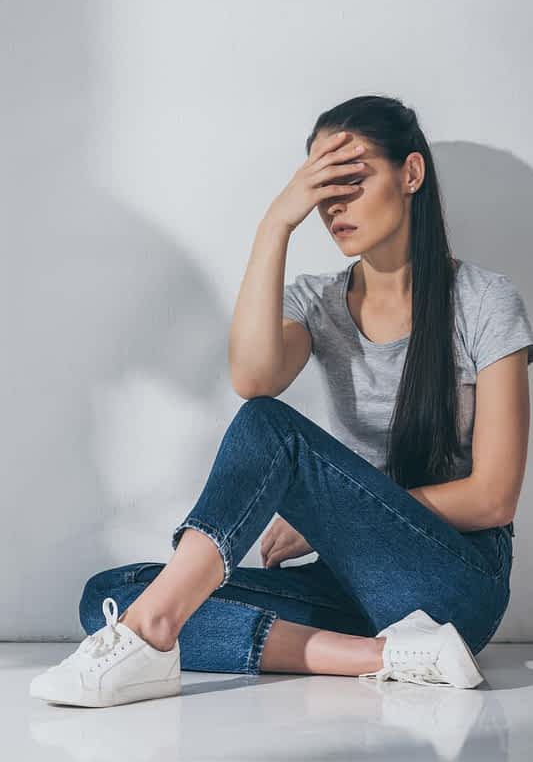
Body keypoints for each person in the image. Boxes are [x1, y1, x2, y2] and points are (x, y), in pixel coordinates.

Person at [30, 95, 533, 708]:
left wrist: (334, 510)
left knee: (269, 429)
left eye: (350, 179)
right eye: (319, 191)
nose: (333, 207)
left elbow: (493, 497)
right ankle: (392, 657)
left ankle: (151, 634)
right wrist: (276, 223)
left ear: (410, 174)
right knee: (111, 593)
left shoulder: (484, 300)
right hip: (358, 589)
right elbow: (252, 375)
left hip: (457, 584)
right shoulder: (317, 302)